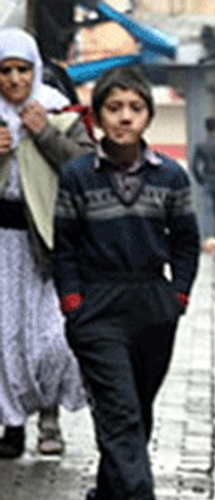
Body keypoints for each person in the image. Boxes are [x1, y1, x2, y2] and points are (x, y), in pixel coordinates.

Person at [52, 66, 200, 500]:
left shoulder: (171, 177)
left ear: (148, 117)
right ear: (97, 118)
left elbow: (186, 242)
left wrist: (176, 295)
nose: (124, 117)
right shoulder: (77, 175)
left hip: (151, 304)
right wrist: (73, 303)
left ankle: (111, 492)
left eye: (134, 108)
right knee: (119, 408)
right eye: (114, 108)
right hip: (97, 305)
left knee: (137, 408)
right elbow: (65, 245)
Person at [0, 28, 91, 459]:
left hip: (47, 244)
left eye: (23, 70)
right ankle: (12, 425)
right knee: (5, 337)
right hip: (3, 245)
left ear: (36, 71)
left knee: (52, 339)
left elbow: (86, 168)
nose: (15, 80)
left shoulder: (59, 112)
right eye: (5, 71)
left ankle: (49, 414)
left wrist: (44, 135)